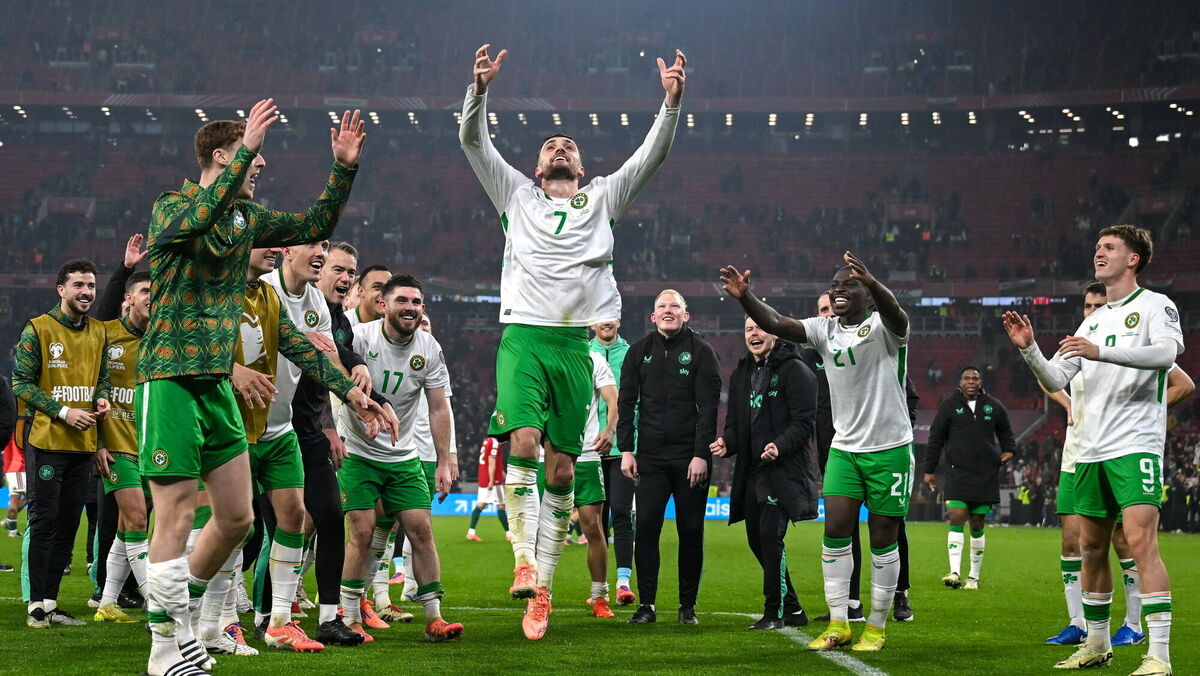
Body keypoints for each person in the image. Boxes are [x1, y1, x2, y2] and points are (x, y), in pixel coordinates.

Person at [460, 43, 685, 641]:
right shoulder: (515, 195)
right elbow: (473, 143)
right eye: (549, 147)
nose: (560, 148)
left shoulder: (605, 196)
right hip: (525, 339)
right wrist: (478, 91)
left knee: (562, 472)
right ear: (536, 168)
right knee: (526, 441)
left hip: (576, 349)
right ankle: (523, 557)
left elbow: (650, 157)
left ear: (581, 169)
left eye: (570, 147)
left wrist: (670, 104)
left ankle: (545, 592)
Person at [138, 101, 368, 676]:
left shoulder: (247, 220)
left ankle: (184, 621)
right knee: (175, 515)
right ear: (222, 154)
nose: (261, 163)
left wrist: (343, 168)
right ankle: (163, 649)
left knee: (238, 519)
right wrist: (244, 154)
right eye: (251, 154)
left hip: (215, 385)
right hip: (169, 377)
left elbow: (313, 228)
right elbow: (195, 224)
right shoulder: (173, 204)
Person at [1003, 225, 1182, 675]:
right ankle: (1097, 644)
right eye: (1097, 247)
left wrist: (1100, 352)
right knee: (1092, 548)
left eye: (1108, 248)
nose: (1097, 253)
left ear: (1133, 258)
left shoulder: (1155, 305)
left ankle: (1158, 655)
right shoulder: (1093, 321)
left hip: (1134, 443)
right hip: (1091, 449)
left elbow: (1165, 356)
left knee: (1141, 542)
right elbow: (1055, 379)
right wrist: (1030, 351)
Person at [722, 252, 913, 653]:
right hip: (844, 447)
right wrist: (746, 296)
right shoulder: (824, 330)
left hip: (889, 448)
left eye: (849, 285)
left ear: (868, 293)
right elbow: (777, 323)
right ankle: (839, 623)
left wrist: (875, 282)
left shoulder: (885, 327)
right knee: (835, 533)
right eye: (834, 286)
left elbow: (897, 314)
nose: (839, 291)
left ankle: (875, 627)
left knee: (883, 539)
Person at [1044, 282, 1195, 650]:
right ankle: (1079, 625)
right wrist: (1068, 405)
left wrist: (1148, 411)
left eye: (1099, 304)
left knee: (1127, 540)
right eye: (1087, 305)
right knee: (1076, 542)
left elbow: (1183, 382)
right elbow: (1051, 378)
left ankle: (1133, 622)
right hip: (1078, 454)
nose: (1093, 311)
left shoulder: (1126, 338)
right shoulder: (1083, 339)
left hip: (1124, 447)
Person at [336, 274, 463, 644]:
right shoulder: (361, 337)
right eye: (402, 301)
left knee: (420, 530)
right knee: (361, 532)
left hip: (402, 454)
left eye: (416, 302)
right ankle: (350, 615)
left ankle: (434, 618)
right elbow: (333, 375)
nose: (409, 308)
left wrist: (443, 460)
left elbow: (439, 407)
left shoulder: (429, 346)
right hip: (358, 452)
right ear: (384, 305)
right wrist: (356, 413)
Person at [802, 292, 918, 623]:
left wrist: (898, 425)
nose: (826, 315)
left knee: (890, 528)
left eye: (829, 308)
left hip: (886, 445)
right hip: (838, 446)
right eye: (821, 310)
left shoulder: (879, 342)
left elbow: (905, 392)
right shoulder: (813, 355)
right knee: (841, 526)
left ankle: (899, 594)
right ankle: (849, 604)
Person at [287, 239, 380, 643]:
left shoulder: (335, 318)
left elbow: (334, 358)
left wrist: (371, 398)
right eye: (337, 270)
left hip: (306, 429)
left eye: (349, 273)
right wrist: (334, 422)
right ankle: (263, 610)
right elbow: (322, 361)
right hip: (273, 426)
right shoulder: (283, 298)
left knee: (326, 516)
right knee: (268, 524)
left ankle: (327, 618)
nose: (344, 278)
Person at [12, 258, 111, 629]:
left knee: (69, 524)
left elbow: (101, 377)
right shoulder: (38, 329)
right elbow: (20, 382)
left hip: (83, 445)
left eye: (90, 286)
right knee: (44, 522)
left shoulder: (99, 331)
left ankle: (51, 603)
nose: (86, 292)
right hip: (48, 441)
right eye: (78, 286)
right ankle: (35, 605)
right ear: (61, 290)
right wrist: (63, 411)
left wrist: (101, 398)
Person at [618, 290, 721, 625]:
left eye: (674, 306)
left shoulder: (702, 352)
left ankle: (686, 606)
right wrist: (627, 450)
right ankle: (646, 604)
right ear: (653, 317)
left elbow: (709, 409)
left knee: (690, 530)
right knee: (647, 528)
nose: (668, 310)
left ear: (685, 315)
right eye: (661, 306)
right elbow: (626, 404)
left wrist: (700, 454)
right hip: (649, 457)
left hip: (689, 459)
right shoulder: (638, 352)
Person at [711, 316, 818, 630]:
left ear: (775, 332)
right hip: (752, 470)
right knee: (757, 542)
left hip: (782, 469)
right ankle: (794, 609)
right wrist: (725, 443)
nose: (753, 334)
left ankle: (774, 613)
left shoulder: (797, 371)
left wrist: (778, 446)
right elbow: (735, 426)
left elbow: (803, 424)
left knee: (771, 540)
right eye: (747, 329)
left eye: (759, 327)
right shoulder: (741, 373)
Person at [93, 262, 154, 623]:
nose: (153, 298)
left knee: (125, 527)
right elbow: (89, 388)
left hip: (149, 445)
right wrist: (96, 442)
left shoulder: (162, 340)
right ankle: (158, 603)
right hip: (115, 445)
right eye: (146, 291)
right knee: (136, 518)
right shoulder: (105, 335)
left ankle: (107, 603)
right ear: (128, 299)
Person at [923, 366, 1016, 591]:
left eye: (975, 378)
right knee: (956, 515)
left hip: (986, 472)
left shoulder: (993, 406)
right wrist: (929, 470)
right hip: (957, 472)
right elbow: (935, 438)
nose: (971, 381)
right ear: (960, 382)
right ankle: (954, 571)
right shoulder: (949, 406)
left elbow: (1006, 432)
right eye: (967, 378)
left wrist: (1010, 450)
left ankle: (973, 577)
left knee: (977, 522)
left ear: (981, 382)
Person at [590, 319, 636, 605]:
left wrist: (633, 443)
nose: (606, 322)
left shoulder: (632, 354)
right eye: (600, 316)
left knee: (621, 512)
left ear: (619, 320)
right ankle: (599, 588)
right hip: (589, 449)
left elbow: (638, 401)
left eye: (611, 316)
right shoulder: (581, 353)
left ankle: (622, 582)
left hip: (622, 449)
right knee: (595, 520)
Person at [577, 350, 619, 618]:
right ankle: (541, 594)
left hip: (586, 455)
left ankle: (599, 595)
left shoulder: (594, 359)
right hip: (547, 455)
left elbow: (613, 399)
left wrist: (610, 430)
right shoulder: (543, 353)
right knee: (543, 531)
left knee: (593, 526)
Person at [466, 436, 510, 542]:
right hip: (494, 480)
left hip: (483, 477)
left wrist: (501, 472)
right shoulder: (494, 442)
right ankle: (509, 534)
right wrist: (491, 480)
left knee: (481, 504)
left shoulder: (487, 441)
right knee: (501, 505)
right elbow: (491, 460)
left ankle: (471, 533)